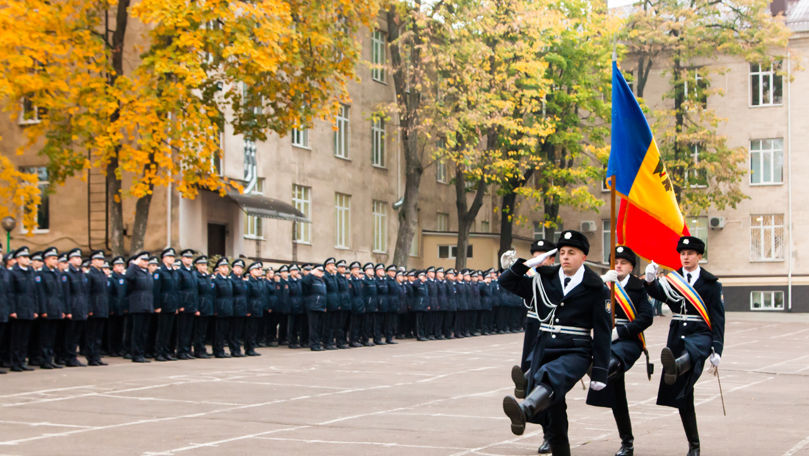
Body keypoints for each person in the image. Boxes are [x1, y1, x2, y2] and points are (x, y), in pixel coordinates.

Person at [500, 230, 611, 456]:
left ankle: (526, 408)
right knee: (555, 414)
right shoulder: (544, 278)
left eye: (572, 252)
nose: (566, 257)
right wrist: (527, 264)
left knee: (549, 375)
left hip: (576, 350)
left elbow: (602, 331)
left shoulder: (596, 287)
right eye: (562, 252)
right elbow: (507, 282)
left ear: (583, 256)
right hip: (545, 347)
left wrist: (600, 372)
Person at [645, 236, 725, 456]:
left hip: (701, 334)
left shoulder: (710, 283)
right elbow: (659, 295)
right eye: (682, 254)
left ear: (699, 256)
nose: (686, 257)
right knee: (683, 394)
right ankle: (694, 445)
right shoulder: (674, 280)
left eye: (690, 254)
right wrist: (650, 281)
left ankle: (678, 366)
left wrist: (717, 349)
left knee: (695, 348)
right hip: (678, 336)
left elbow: (718, 318)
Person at [586, 246, 654, 456]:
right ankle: (627, 442)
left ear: (631, 266)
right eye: (615, 262)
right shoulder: (605, 285)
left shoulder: (638, 287)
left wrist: (620, 332)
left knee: (611, 365)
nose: (619, 266)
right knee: (617, 395)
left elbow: (646, 317)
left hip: (628, 341)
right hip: (605, 339)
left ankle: (598, 369)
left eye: (623, 263)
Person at [9, 246, 37, 371]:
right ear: (18, 259)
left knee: (25, 338)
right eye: (24, 257)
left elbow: (34, 292)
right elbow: (11, 293)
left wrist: (35, 309)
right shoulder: (13, 273)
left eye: (28, 257)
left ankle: (21, 361)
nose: (27, 260)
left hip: (29, 307)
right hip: (19, 308)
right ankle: (15, 362)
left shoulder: (31, 272)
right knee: (17, 337)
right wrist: (13, 310)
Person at [35, 247, 64, 370]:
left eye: (56, 258)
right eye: (53, 259)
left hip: (56, 308)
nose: (55, 261)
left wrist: (61, 309)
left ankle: (50, 359)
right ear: (46, 260)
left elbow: (60, 293)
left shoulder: (57, 273)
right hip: (47, 308)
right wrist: (44, 310)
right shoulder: (42, 274)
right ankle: (44, 360)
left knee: (53, 336)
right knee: (45, 337)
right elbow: (41, 294)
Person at [126, 252, 154, 363]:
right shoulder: (134, 271)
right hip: (138, 305)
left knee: (144, 331)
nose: (146, 263)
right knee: (137, 331)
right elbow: (128, 276)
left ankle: (141, 352)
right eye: (143, 260)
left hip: (147, 304)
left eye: (147, 261)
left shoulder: (146, 273)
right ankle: (136, 354)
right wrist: (134, 264)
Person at [63, 248, 89, 367]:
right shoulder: (67, 274)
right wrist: (68, 311)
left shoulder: (81, 273)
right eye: (76, 258)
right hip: (73, 307)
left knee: (77, 335)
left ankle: (73, 356)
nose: (79, 260)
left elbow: (85, 292)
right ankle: (69, 357)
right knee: (70, 335)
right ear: (70, 260)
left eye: (79, 258)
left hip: (81, 307)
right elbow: (66, 294)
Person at [154, 248, 179, 361]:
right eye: (169, 257)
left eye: (173, 257)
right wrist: (157, 305)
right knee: (162, 330)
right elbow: (156, 290)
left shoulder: (174, 272)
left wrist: (176, 305)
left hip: (171, 304)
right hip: (163, 304)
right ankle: (159, 352)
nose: (171, 259)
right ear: (163, 258)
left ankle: (166, 351)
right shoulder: (159, 272)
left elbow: (176, 290)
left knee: (169, 331)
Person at [86, 250, 109, 366]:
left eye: (102, 260)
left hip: (102, 307)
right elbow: (88, 293)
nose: (101, 262)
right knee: (92, 334)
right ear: (93, 261)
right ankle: (91, 357)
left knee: (99, 335)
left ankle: (97, 356)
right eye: (98, 260)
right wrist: (89, 308)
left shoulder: (102, 274)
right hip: (94, 307)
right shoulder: (90, 275)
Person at [176, 249, 198, 360]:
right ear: (182, 259)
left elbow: (195, 290)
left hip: (192, 304)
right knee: (183, 329)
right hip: (184, 304)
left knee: (189, 329)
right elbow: (178, 289)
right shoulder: (180, 272)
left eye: (190, 258)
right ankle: (181, 351)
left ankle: (187, 349)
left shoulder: (193, 272)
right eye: (187, 258)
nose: (189, 260)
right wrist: (180, 304)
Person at [302, 264, 327, 351]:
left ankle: (317, 343)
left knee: (319, 326)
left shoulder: (322, 280)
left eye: (322, 271)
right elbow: (304, 282)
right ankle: (313, 345)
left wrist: (324, 306)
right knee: (313, 327)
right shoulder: (311, 279)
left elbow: (324, 294)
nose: (321, 273)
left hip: (320, 306)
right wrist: (311, 273)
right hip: (313, 306)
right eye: (319, 271)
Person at [193, 255, 214, 358]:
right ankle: (198, 350)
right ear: (197, 266)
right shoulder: (196, 276)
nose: (204, 267)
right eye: (202, 265)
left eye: (205, 265)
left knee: (204, 331)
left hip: (207, 305)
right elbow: (196, 293)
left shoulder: (207, 276)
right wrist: (196, 308)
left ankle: (202, 349)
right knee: (199, 331)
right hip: (200, 305)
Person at [212, 257, 233, 358]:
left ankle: (221, 349)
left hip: (227, 308)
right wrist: (215, 309)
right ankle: (218, 350)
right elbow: (214, 296)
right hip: (220, 308)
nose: (225, 269)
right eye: (223, 267)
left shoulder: (228, 280)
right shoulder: (216, 280)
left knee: (224, 331)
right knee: (218, 331)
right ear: (219, 268)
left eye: (226, 267)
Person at [107, 256, 128, 357]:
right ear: (114, 267)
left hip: (122, 308)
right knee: (112, 330)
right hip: (114, 308)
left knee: (120, 330)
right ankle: (112, 349)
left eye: (122, 265)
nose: (121, 267)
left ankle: (119, 348)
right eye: (118, 265)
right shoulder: (112, 279)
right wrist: (111, 308)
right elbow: (110, 295)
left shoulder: (124, 278)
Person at [244, 261, 265, 356]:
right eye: (257, 269)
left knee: (254, 329)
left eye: (260, 269)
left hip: (258, 307)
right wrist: (248, 310)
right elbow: (247, 297)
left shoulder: (259, 281)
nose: (260, 271)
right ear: (251, 271)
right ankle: (248, 348)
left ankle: (252, 347)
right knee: (249, 329)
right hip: (252, 308)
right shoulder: (249, 282)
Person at [229, 258, 248, 357]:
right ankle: (234, 349)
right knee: (234, 330)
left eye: (241, 268)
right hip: (235, 307)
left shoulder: (242, 280)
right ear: (233, 268)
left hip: (242, 307)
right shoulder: (231, 280)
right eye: (237, 267)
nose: (239, 269)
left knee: (238, 330)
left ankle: (237, 349)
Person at [348, 261, 366, 347]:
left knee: (358, 324)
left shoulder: (359, 280)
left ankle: (357, 339)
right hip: (354, 305)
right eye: (355, 269)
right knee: (353, 324)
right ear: (351, 271)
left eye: (358, 269)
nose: (357, 271)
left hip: (360, 304)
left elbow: (362, 294)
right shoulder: (351, 281)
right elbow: (350, 295)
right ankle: (352, 340)